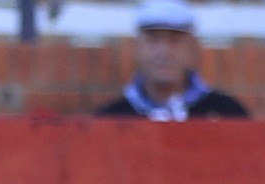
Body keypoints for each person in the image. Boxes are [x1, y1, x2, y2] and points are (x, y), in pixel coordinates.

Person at [95, 0, 248, 121]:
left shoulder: (227, 113)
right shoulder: (111, 118)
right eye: (153, 40)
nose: (164, 52)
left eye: (175, 40)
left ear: (192, 48)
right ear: (136, 47)